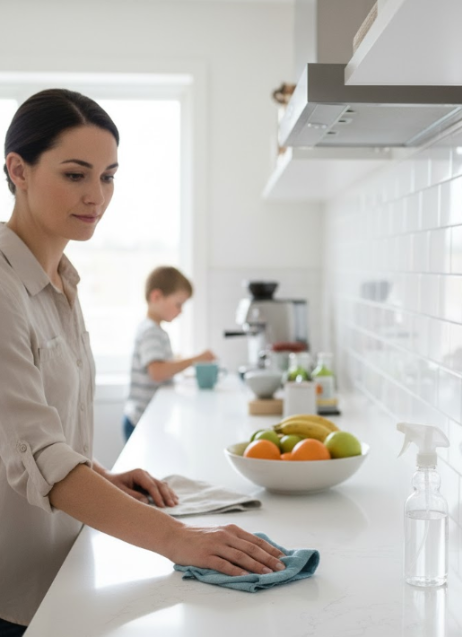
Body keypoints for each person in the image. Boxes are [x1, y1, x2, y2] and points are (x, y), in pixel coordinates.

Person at [0, 89, 285, 636]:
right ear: (19, 170)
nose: (96, 196)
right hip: (9, 590)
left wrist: (105, 477)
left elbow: (30, 437)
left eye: (108, 176)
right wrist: (182, 540)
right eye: (76, 174)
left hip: (58, 571)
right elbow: (36, 452)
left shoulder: (64, 281)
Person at [123, 266, 215, 442]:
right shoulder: (151, 331)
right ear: (156, 297)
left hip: (143, 417)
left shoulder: (153, 329)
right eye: (178, 304)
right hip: (140, 419)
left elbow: (158, 364)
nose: (181, 311)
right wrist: (196, 359)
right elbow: (157, 372)